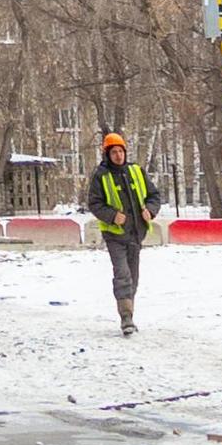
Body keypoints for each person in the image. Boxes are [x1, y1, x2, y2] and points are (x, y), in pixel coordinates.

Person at [87, 132, 156, 335]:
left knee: (133, 277)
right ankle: (126, 317)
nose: (118, 155)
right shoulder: (101, 175)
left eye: (120, 151)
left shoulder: (136, 171)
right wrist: (111, 216)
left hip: (136, 233)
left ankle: (129, 313)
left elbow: (154, 195)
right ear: (107, 155)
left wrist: (150, 210)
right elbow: (94, 203)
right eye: (114, 152)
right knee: (122, 274)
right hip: (115, 235)